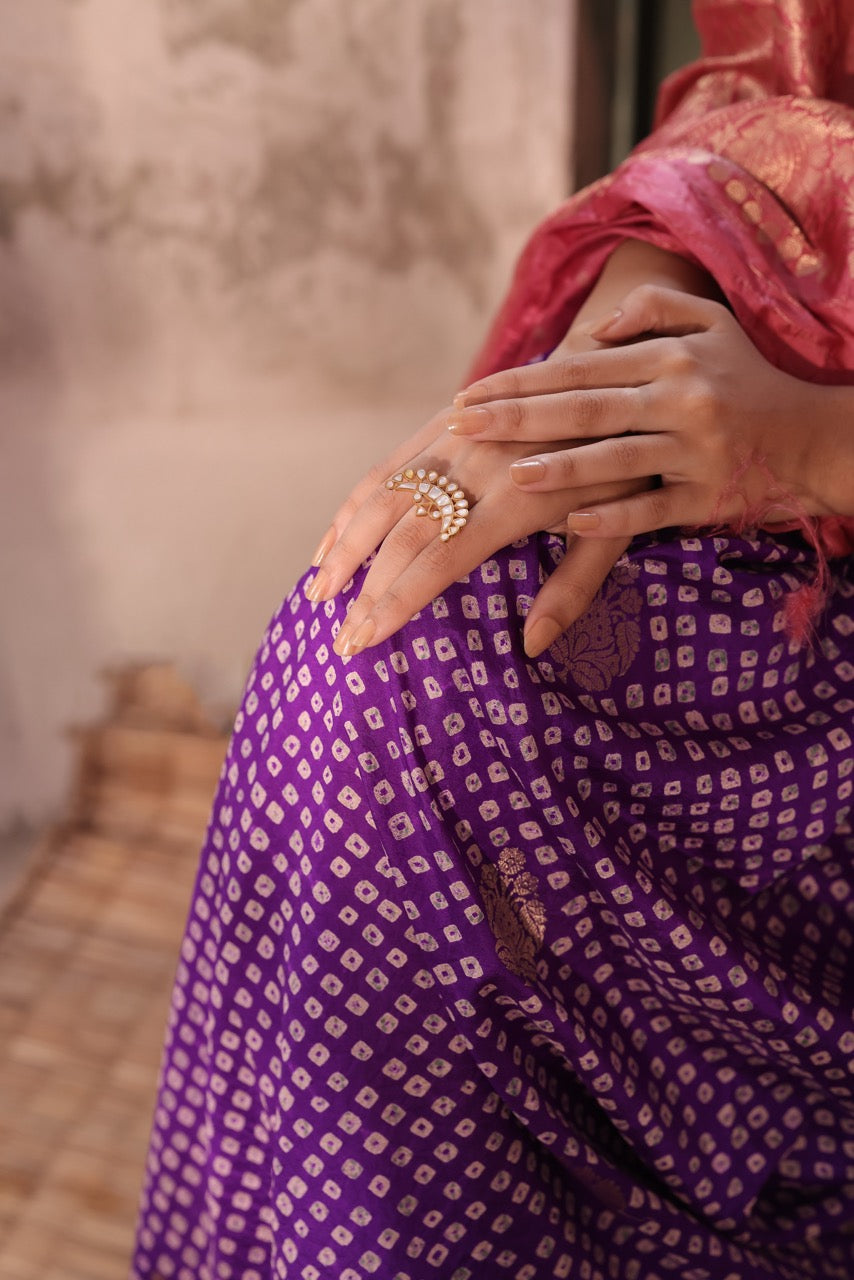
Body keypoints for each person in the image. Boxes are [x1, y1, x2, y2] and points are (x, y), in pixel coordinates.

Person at [131, 3, 854, 1278]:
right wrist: (598, 376)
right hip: (785, 362)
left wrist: (811, 440)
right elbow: (768, 95)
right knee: (389, 641)